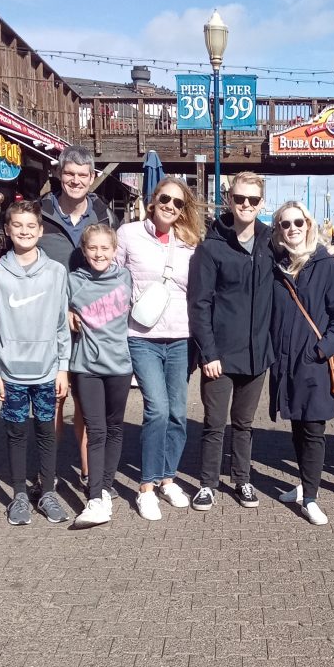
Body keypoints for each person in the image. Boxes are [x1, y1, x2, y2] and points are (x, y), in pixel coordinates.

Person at [0, 147, 118, 489]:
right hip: (46, 320)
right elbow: (9, 260)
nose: (75, 180)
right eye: (70, 174)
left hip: (89, 325)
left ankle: (90, 474)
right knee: (54, 400)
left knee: (87, 404)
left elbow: (116, 264)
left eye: (83, 175)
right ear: (59, 174)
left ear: (92, 177)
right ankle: (48, 472)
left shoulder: (103, 213)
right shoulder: (39, 212)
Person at [187, 172, 275, 511]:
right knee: (214, 422)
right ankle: (207, 483)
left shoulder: (271, 242)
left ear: (261, 203)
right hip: (219, 354)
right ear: (230, 200)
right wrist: (207, 352)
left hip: (256, 354)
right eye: (240, 199)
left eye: (253, 200)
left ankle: (242, 480)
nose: (246, 205)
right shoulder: (211, 248)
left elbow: (305, 254)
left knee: (244, 423)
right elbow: (199, 303)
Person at [116, 177, 201, 521]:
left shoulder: (190, 242)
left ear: (184, 210)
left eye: (178, 203)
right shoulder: (129, 234)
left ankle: (167, 477)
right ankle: (146, 487)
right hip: (142, 336)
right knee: (158, 411)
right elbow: (110, 274)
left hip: (181, 337)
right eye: (165, 198)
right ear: (153, 200)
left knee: (179, 413)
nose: (170, 205)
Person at [0, 201, 70, 526]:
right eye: (17, 226)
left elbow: (62, 323)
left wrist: (62, 366)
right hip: (11, 372)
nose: (24, 231)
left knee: (46, 432)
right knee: (17, 433)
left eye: (30, 226)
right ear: (7, 230)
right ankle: (19, 494)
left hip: (48, 370)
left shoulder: (55, 272)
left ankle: (46, 491)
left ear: (40, 230)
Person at [270, 201, 334, 525]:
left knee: (314, 430)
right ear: (278, 230)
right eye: (285, 224)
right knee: (295, 424)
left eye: (298, 222)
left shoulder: (326, 265)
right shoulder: (276, 265)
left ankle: (311, 497)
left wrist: (321, 350)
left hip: (313, 363)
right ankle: (304, 483)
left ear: (309, 225)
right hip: (285, 363)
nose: (292, 229)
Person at [68, 224, 133, 527]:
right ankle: (95, 498)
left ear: (114, 250)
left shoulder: (125, 277)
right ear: (84, 250)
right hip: (87, 367)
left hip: (120, 365)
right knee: (96, 431)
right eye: (93, 248)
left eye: (105, 248)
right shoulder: (73, 282)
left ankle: (105, 489)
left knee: (115, 427)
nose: (99, 253)